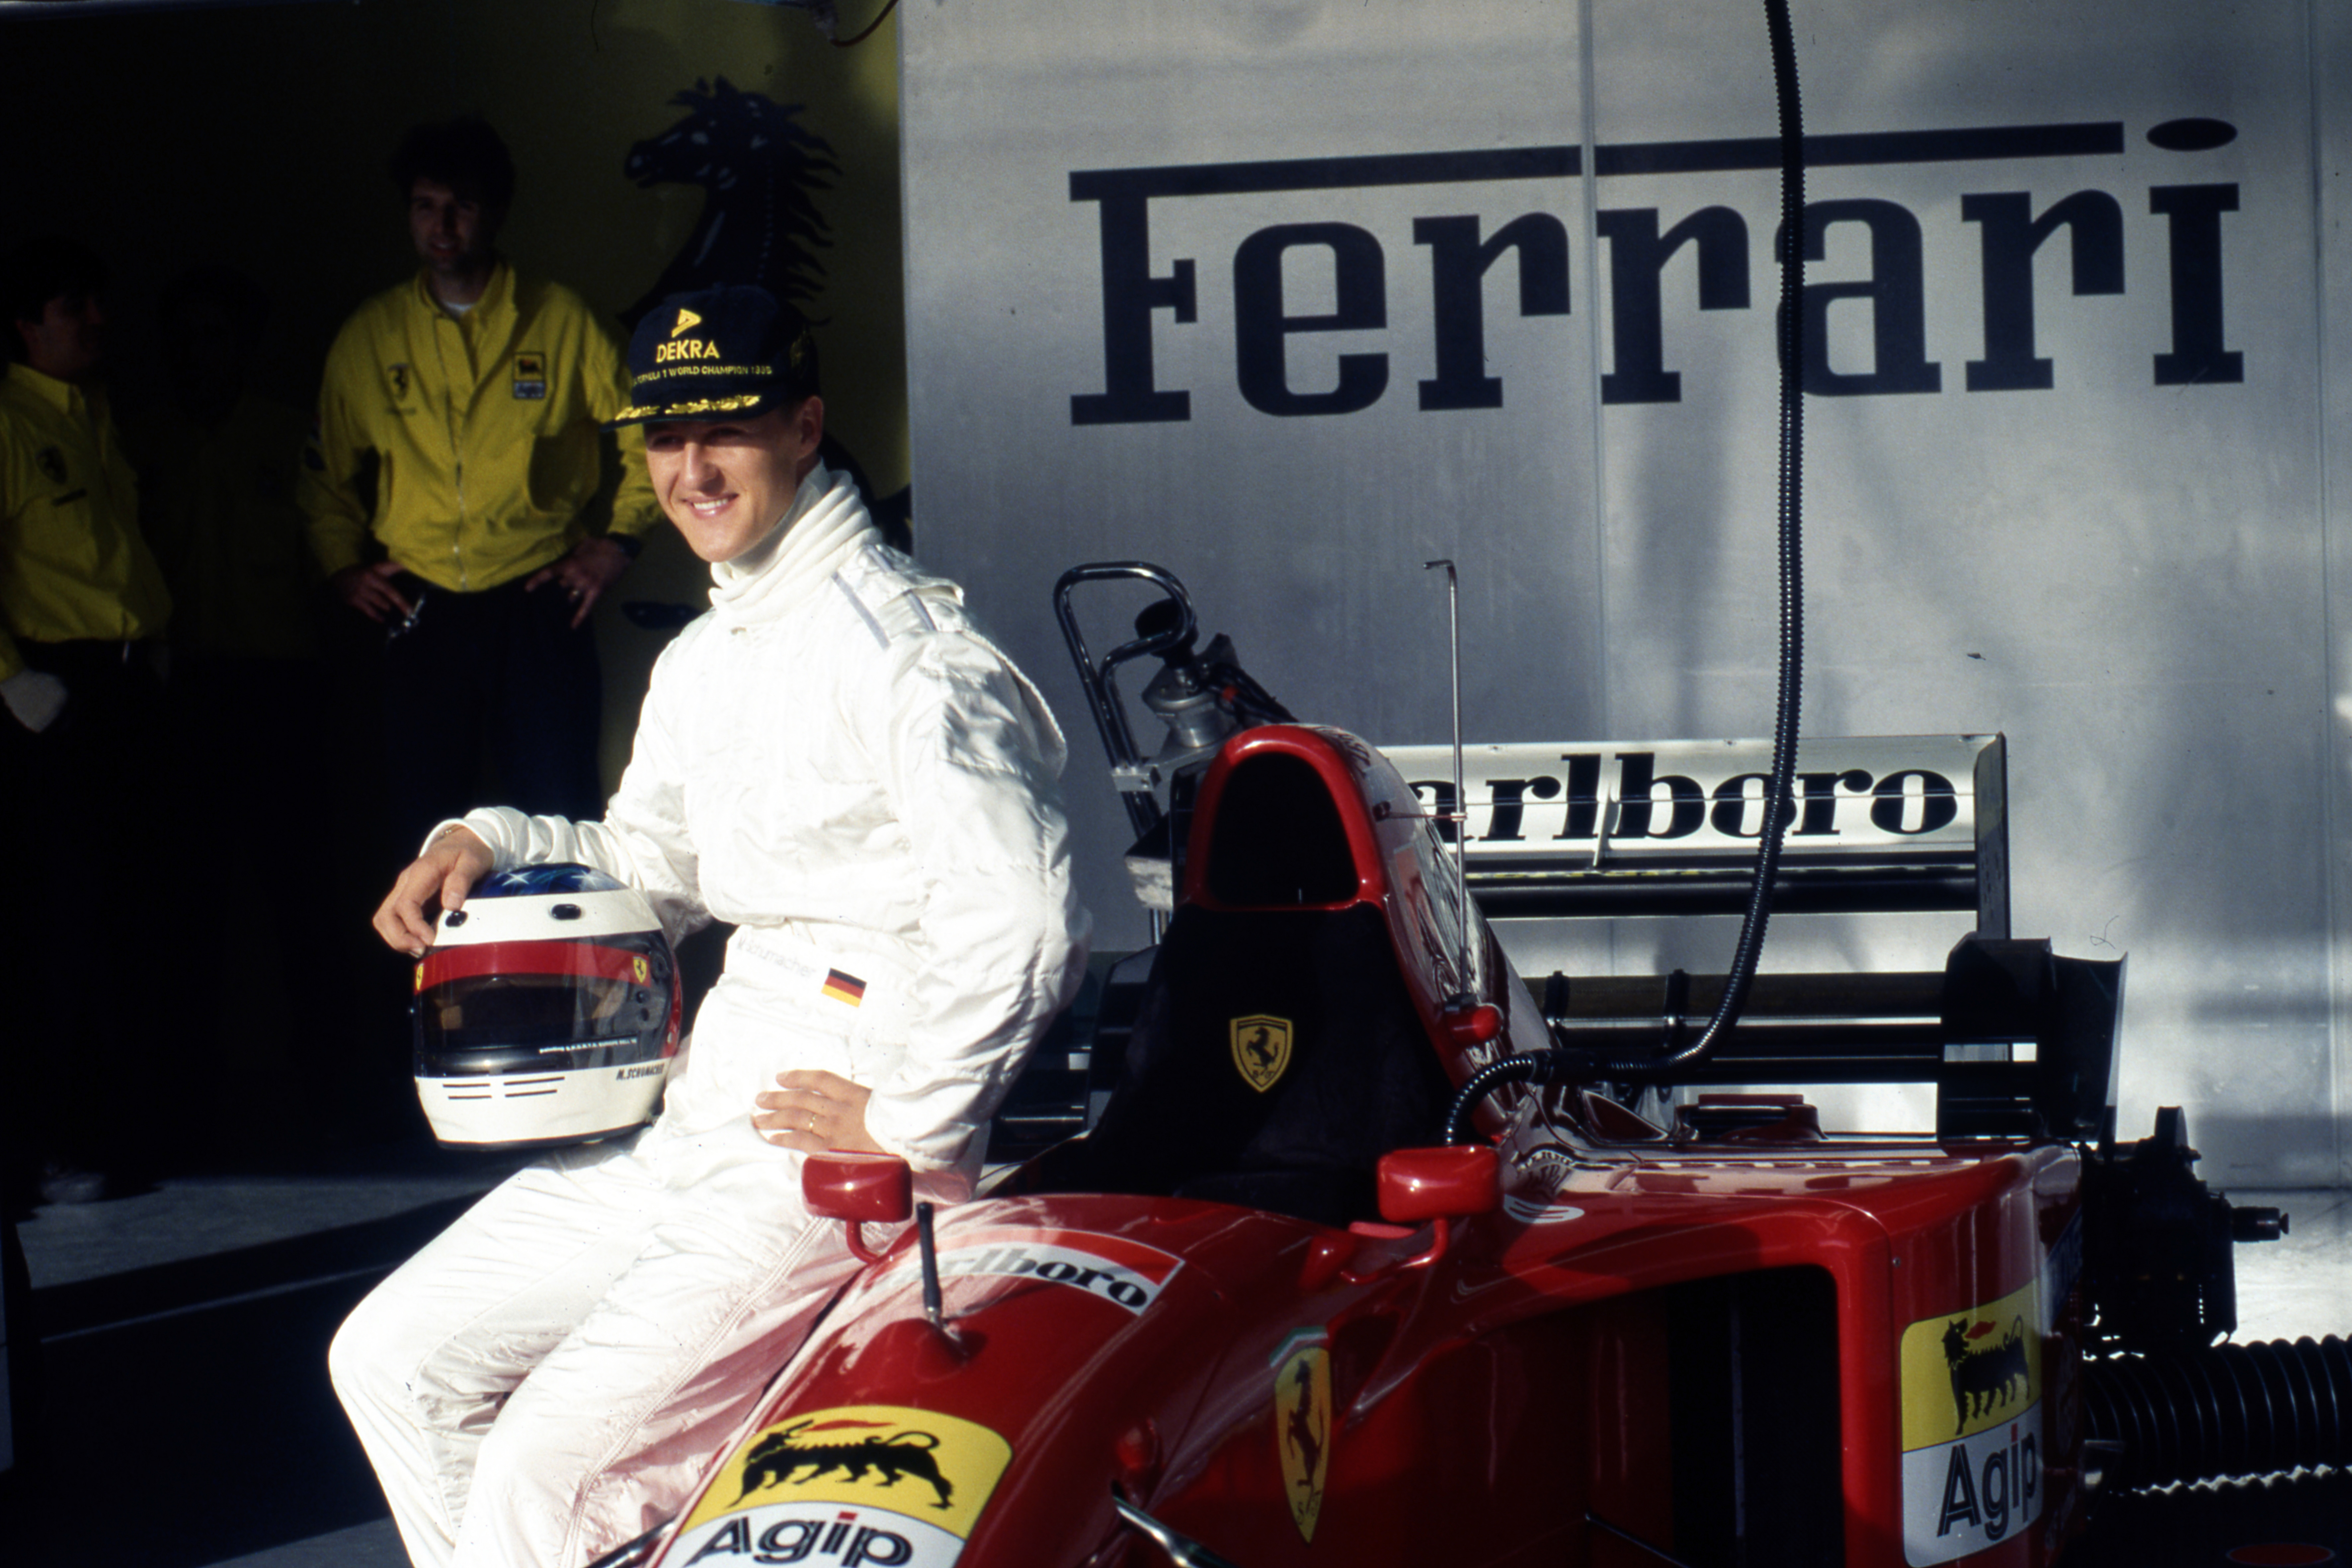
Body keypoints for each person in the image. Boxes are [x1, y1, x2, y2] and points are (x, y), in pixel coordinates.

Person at [328, 283, 1091, 1567]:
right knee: (392, 1359)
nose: (690, 468)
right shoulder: (710, 652)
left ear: (804, 426)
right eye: (663, 438)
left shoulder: (911, 657)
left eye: (725, 430)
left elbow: (1025, 916)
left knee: (543, 1476)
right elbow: (657, 864)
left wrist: (911, 1121)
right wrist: (493, 837)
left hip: (831, 1143)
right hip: (705, 1114)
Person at [298, 117, 662, 853]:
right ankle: (423, 967)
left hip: (537, 601)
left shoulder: (559, 320)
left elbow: (650, 429)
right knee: (418, 818)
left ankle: (571, 966)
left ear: (494, 212)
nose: (442, 225)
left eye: (462, 205)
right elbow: (326, 472)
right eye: (425, 205)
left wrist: (618, 542)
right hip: (421, 605)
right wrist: (342, 567)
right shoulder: (374, 335)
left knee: (560, 811)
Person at [0, 236, 172, 1206]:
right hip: (46, 697)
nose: (96, 323)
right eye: (75, 308)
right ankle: (41, 1146)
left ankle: (114, 1133)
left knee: (128, 915)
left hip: (117, 684)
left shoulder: (95, 416)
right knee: (55, 927)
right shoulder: (10, 422)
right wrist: (11, 680)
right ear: (28, 326)